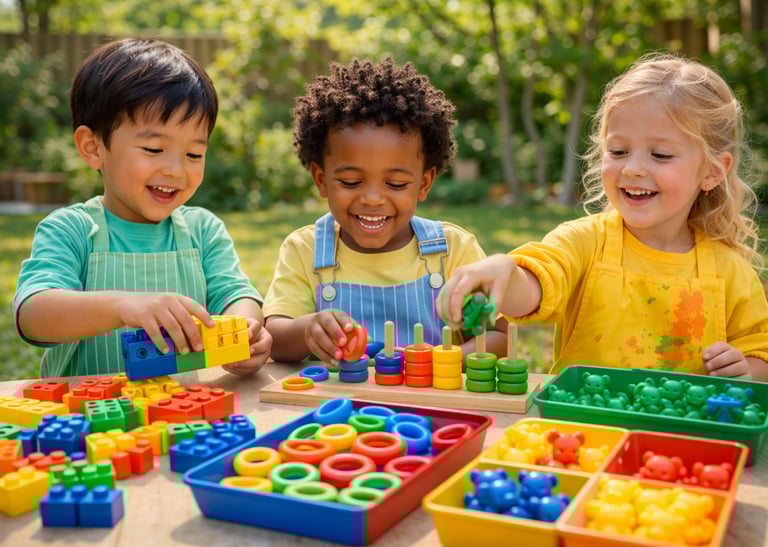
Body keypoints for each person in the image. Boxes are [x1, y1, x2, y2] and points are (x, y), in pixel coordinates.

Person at [438, 52, 768, 380]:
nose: (633, 168)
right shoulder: (585, 242)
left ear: (711, 171)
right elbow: (533, 288)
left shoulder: (730, 270)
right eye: (618, 151)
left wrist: (743, 370)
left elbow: (760, 356)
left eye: (661, 154)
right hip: (585, 430)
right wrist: (504, 272)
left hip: (684, 434)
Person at [14, 38, 272, 377]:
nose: (176, 170)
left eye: (194, 154)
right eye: (153, 149)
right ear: (93, 147)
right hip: (91, 420)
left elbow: (236, 294)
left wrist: (248, 330)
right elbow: (34, 315)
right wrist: (123, 306)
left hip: (184, 415)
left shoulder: (203, 231)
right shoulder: (71, 230)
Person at [264, 58, 507, 363]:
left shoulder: (453, 251)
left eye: (395, 183)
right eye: (351, 181)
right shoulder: (305, 250)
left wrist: (444, 361)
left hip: (430, 405)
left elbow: (498, 337)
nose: (373, 199)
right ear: (321, 179)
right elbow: (274, 339)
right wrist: (308, 330)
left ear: (424, 182)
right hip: (339, 408)